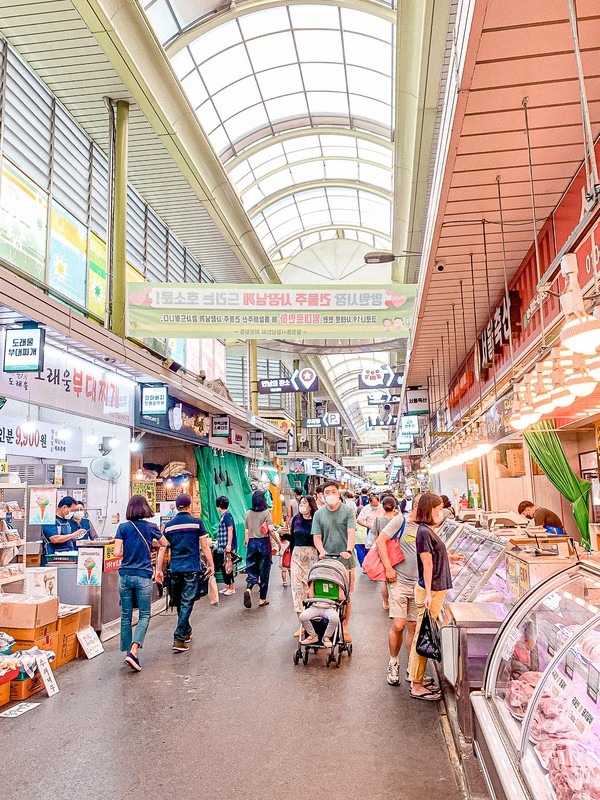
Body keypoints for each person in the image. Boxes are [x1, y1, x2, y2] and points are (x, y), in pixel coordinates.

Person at [377, 494, 438, 688]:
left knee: (413, 626)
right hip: (398, 581)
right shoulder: (400, 520)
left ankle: (412, 668)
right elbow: (380, 542)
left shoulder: (426, 527)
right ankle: (393, 662)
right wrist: (388, 568)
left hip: (417, 584)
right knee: (399, 625)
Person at [408, 493, 464, 700]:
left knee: (423, 634)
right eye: (438, 508)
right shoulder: (423, 532)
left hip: (433, 589)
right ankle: (416, 684)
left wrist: (450, 557)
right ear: (429, 509)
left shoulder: (427, 531)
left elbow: (434, 556)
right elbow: (427, 565)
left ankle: (417, 677)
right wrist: (430, 593)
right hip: (429, 591)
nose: (440, 512)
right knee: (423, 636)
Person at [113, 494, 168, 672]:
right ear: (145, 508)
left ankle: (127, 651)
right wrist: (148, 545)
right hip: (143, 575)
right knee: (144, 614)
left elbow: (116, 552)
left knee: (126, 615)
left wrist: (129, 551)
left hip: (124, 575)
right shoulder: (151, 527)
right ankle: (134, 651)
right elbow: (165, 543)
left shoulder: (123, 527)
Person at [157, 493, 214, 652]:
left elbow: (162, 548)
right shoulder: (197, 523)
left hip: (175, 568)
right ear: (189, 506)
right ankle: (179, 638)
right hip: (191, 567)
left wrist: (158, 569)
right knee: (187, 601)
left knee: (180, 601)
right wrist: (211, 563)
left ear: (176, 507)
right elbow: (204, 546)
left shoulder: (169, 526)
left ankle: (187, 630)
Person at [312, 481, 356, 641]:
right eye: (327, 492)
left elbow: (351, 532)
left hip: (346, 561)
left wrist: (349, 550)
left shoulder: (348, 511)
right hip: (326, 561)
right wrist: (322, 551)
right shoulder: (318, 514)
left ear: (339, 493)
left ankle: (345, 627)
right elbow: (317, 537)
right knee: (326, 594)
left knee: (346, 596)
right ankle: (326, 626)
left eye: (333, 492)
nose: (330, 495)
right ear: (323, 496)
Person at [281, 494, 318, 637]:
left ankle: (314, 624)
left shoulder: (317, 519)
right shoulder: (296, 519)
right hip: (296, 557)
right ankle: (301, 625)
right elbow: (293, 538)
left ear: (311, 505)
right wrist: (284, 536)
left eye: (304, 503)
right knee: (297, 591)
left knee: (312, 591)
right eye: (301, 502)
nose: (302, 505)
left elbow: (319, 539)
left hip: (313, 558)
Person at [244, 490, 277, 608]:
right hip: (263, 543)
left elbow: (247, 530)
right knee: (264, 571)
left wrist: (246, 540)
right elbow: (271, 530)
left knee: (251, 568)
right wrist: (278, 542)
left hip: (252, 543)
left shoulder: (248, 513)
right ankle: (262, 599)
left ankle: (249, 588)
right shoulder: (266, 513)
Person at [370, 495, 399, 610]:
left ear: (382, 506)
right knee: (396, 579)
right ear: (395, 507)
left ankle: (386, 602)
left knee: (384, 580)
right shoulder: (399, 520)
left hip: (382, 551)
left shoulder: (378, 520)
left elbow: (375, 537)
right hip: (396, 551)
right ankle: (394, 603)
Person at [300, 580, 346, 648]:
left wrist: (339, 585)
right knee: (303, 616)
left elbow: (341, 598)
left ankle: (326, 637)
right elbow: (311, 596)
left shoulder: (336, 581)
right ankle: (313, 635)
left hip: (330, 607)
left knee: (335, 618)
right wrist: (312, 582)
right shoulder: (316, 580)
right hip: (316, 606)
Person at [41, 496, 79, 564]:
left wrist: (74, 537)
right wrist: (72, 535)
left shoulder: (66, 521)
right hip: (53, 559)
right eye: (72, 510)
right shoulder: (50, 520)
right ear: (64, 507)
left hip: (67, 558)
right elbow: (55, 539)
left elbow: (66, 537)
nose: (73, 513)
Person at [214, 495, 237, 596]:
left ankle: (231, 587)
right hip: (223, 545)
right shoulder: (224, 516)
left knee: (228, 566)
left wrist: (229, 545)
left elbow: (230, 529)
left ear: (219, 506)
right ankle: (228, 586)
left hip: (227, 546)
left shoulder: (227, 516)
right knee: (225, 566)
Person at [355, 494, 384, 566]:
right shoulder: (366, 509)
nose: (375, 507)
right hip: (371, 531)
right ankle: (369, 565)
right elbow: (359, 520)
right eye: (374, 505)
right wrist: (367, 526)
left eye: (376, 505)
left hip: (382, 531)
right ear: (370, 503)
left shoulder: (382, 507)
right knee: (370, 548)